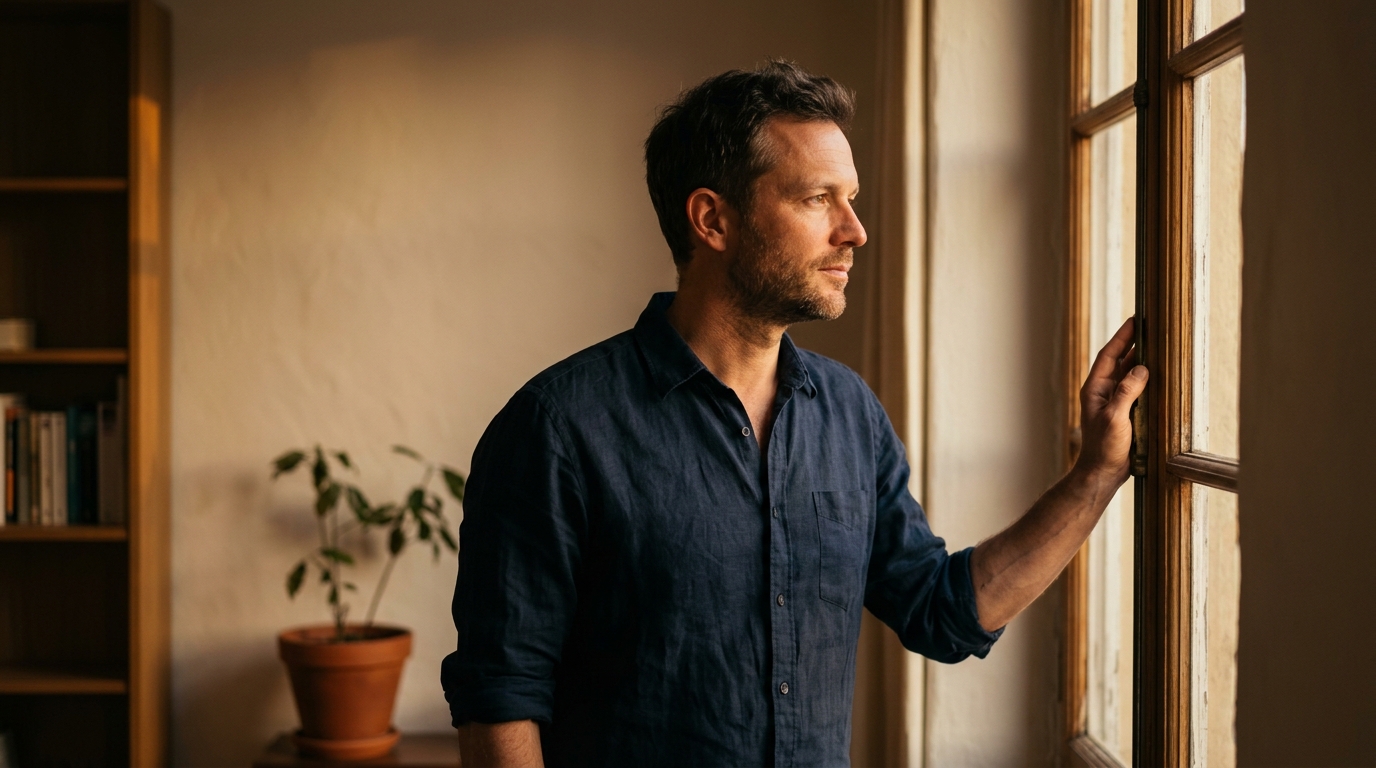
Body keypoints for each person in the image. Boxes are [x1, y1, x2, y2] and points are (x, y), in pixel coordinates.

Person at [440, 60, 1147, 768]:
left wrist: (1096, 474)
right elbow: (501, 698)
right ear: (713, 219)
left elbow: (943, 612)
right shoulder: (557, 428)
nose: (855, 231)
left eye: (852, 199)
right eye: (818, 199)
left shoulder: (848, 414)